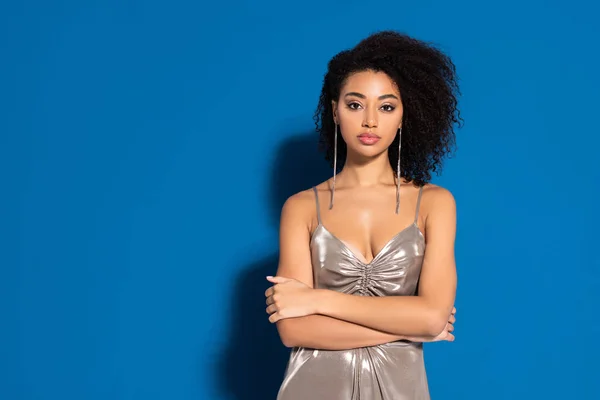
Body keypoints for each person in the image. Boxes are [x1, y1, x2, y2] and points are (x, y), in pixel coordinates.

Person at [264, 30, 461, 400]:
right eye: (355, 105)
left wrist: (318, 300)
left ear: (405, 116)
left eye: (386, 106)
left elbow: (434, 316)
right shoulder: (302, 207)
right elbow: (293, 330)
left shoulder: (435, 203)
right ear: (335, 110)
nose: (370, 120)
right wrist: (413, 326)